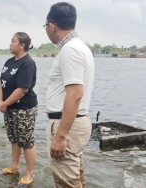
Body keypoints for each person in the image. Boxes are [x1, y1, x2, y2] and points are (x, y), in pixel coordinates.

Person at [44, 2, 95, 188]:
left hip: (67, 125)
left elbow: (74, 94)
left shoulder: (70, 50)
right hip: (76, 122)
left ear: (52, 25)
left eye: (45, 26)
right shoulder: (80, 47)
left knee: (67, 183)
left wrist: (60, 136)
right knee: (76, 179)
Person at [0, 32, 38, 186]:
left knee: (26, 140)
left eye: (13, 41)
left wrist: (5, 103)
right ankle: (14, 166)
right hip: (9, 107)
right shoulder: (9, 61)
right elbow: (1, 82)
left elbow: (22, 89)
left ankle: (29, 173)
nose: (10, 43)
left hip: (24, 108)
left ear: (22, 45)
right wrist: (0, 101)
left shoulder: (27, 63)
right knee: (14, 138)